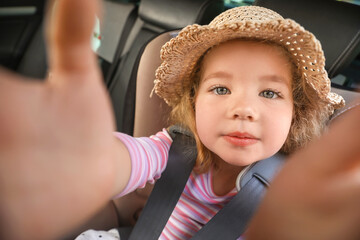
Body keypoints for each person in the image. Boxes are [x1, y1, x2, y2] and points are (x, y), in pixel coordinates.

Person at [0, 1, 359, 240]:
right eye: (220, 89)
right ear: (194, 101)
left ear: (295, 113)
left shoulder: (290, 191)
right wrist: (86, 159)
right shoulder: (174, 147)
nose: (243, 109)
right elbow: (125, 159)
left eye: (269, 94)